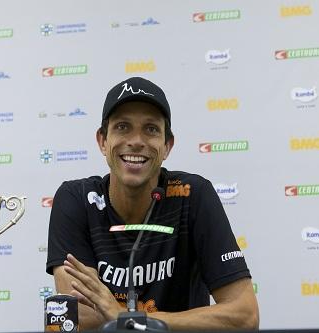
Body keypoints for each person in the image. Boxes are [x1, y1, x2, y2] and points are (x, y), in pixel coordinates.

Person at [46, 77, 259, 330]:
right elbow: (79, 317)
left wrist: (122, 316)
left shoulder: (193, 195)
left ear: (167, 146)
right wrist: (135, 320)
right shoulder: (76, 199)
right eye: (123, 127)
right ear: (102, 141)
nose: (136, 140)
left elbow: (246, 316)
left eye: (151, 129)